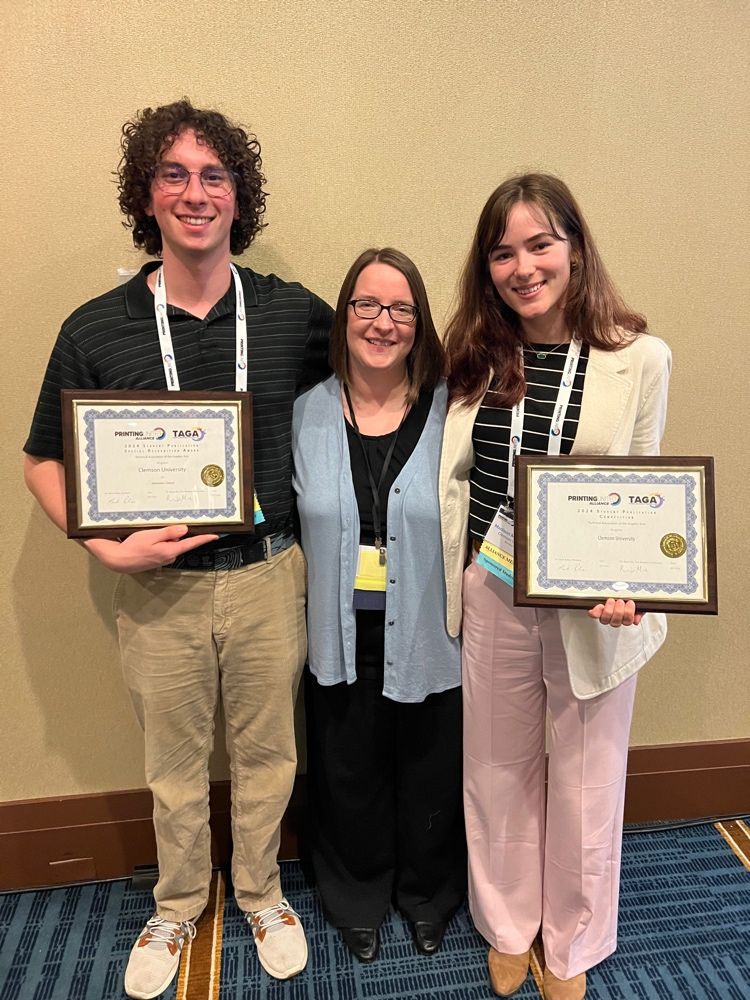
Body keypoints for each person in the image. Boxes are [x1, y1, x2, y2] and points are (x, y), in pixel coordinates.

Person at [23, 99, 333, 998]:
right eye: (174, 174)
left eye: (214, 176)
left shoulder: (292, 316)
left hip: (272, 574)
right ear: (146, 196)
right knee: (173, 763)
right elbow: (42, 459)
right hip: (158, 590)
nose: (195, 193)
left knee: (272, 753)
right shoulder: (96, 326)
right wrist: (103, 548)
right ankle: (178, 900)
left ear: (239, 199)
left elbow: (372, 387)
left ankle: (263, 890)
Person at [439, 175, 671, 1000]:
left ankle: (571, 944)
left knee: (586, 778)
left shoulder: (640, 359)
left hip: (592, 603)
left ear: (574, 246)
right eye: (503, 251)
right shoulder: (472, 356)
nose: (523, 266)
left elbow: (646, 488)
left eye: (540, 244)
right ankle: (508, 925)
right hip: (492, 586)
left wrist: (631, 586)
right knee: (496, 766)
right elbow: (458, 481)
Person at [292, 248, 466, 963]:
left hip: (429, 629)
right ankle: (357, 893)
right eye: (366, 304)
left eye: (401, 309)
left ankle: (427, 893)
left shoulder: (455, 412)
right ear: (345, 314)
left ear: (419, 323)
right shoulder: (304, 412)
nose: (383, 322)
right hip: (339, 630)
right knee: (347, 768)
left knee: (430, 766)